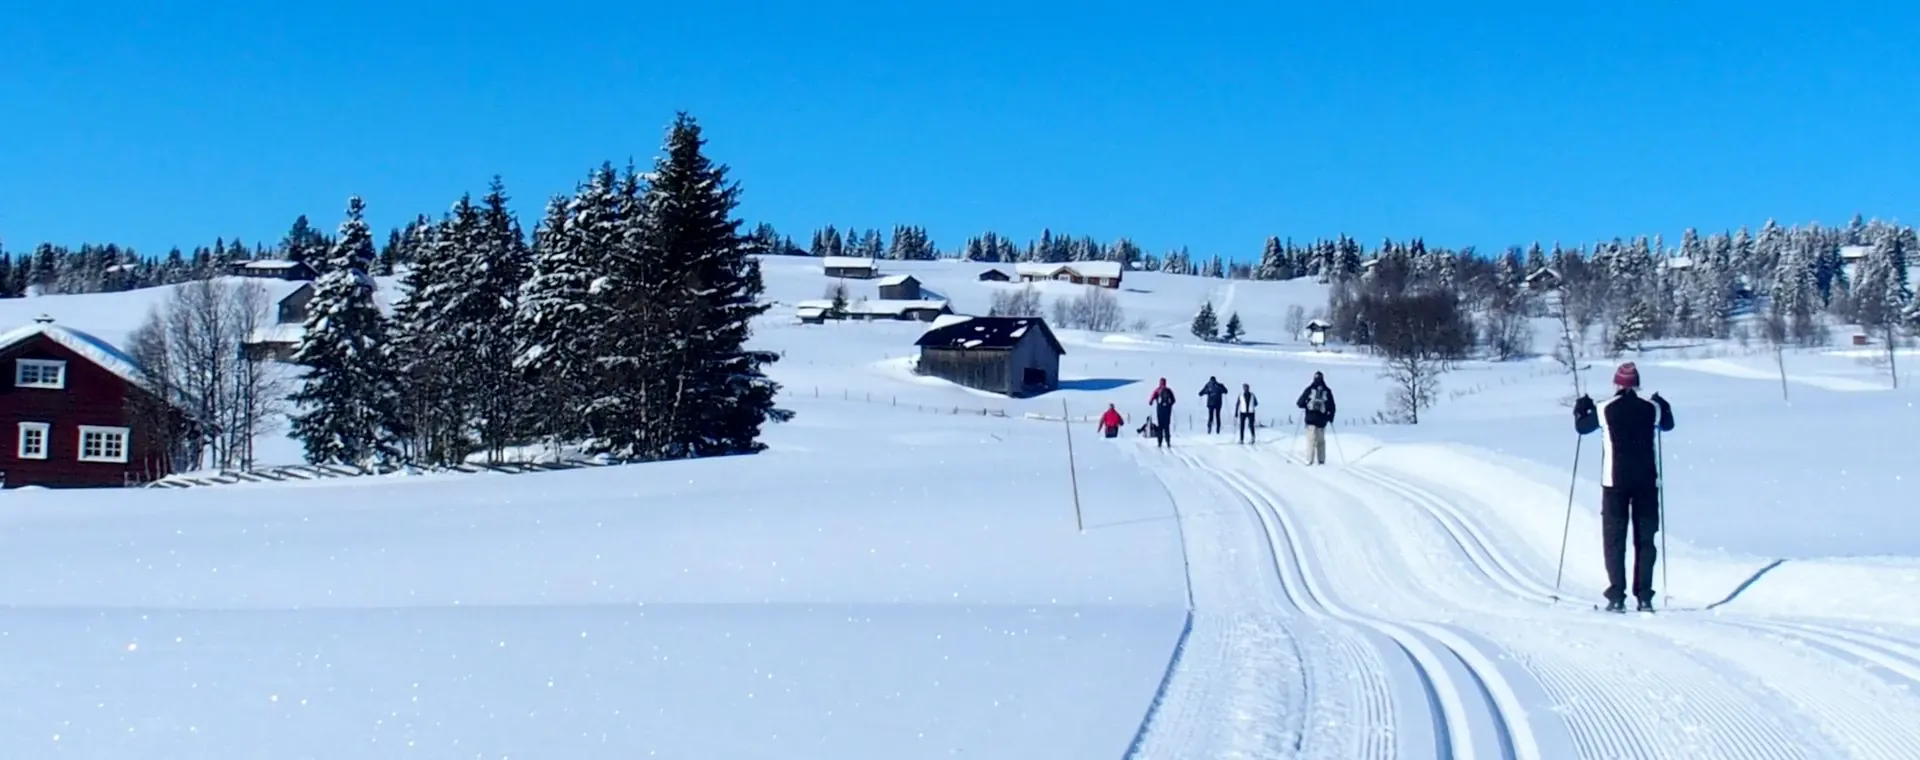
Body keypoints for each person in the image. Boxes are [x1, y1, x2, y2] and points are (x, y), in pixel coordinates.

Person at [1574, 361, 1675, 613]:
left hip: (1614, 482)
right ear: (1636, 384)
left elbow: (1582, 428)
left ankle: (1616, 596)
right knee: (1645, 541)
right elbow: (1668, 424)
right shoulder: (1651, 409)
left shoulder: (1604, 408)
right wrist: (1663, 404)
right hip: (1646, 482)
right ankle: (1644, 596)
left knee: (1615, 540)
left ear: (1617, 384)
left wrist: (1580, 408)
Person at [1295, 371, 1336, 464]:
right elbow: (1332, 406)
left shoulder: (1309, 389)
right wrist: (1330, 418)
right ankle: (1321, 460)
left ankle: (1309, 460)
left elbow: (1299, 403)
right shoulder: (1327, 391)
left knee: (1311, 441)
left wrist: (1306, 405)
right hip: (1322, 421)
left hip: (1310, 420)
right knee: (1321, 441)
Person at [1148, 378, 1176, 448]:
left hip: (1160, 409)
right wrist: (1169, 405)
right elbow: (1173, 400)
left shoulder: (1157, 390)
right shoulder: (1169, 390)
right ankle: (1168, 441)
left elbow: (1151, 399)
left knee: (1160, 426)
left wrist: (1151, 402)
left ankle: (1159, 442)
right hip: (1167, 410)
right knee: (1167, 426)